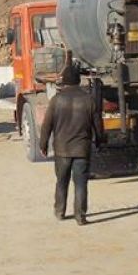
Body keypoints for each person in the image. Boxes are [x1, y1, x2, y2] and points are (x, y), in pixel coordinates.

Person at [39, 66, 105, 225]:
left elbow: (47, 125)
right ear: (78, 80)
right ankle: (80, 216)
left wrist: (43, 145)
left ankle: (59, 211)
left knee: (62, 181)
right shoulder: (89, 100)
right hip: (82, 149)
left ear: (65, 81)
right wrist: (100, 141)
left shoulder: (56, 100)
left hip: (62, 150)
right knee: (81, 183)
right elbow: (98, 125)